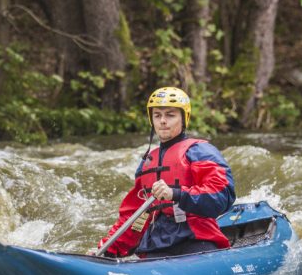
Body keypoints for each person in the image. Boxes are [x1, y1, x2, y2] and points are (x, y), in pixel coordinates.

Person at [94, 87, 235, 258]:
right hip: (156, 242)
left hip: (196, 238)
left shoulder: (200, 151)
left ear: (184, 118)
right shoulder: (147, 163)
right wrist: (108, 249)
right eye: (157, 115)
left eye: (170, 115)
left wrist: (176, 194)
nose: (162, 121)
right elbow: (134, 215)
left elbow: (223, 195)